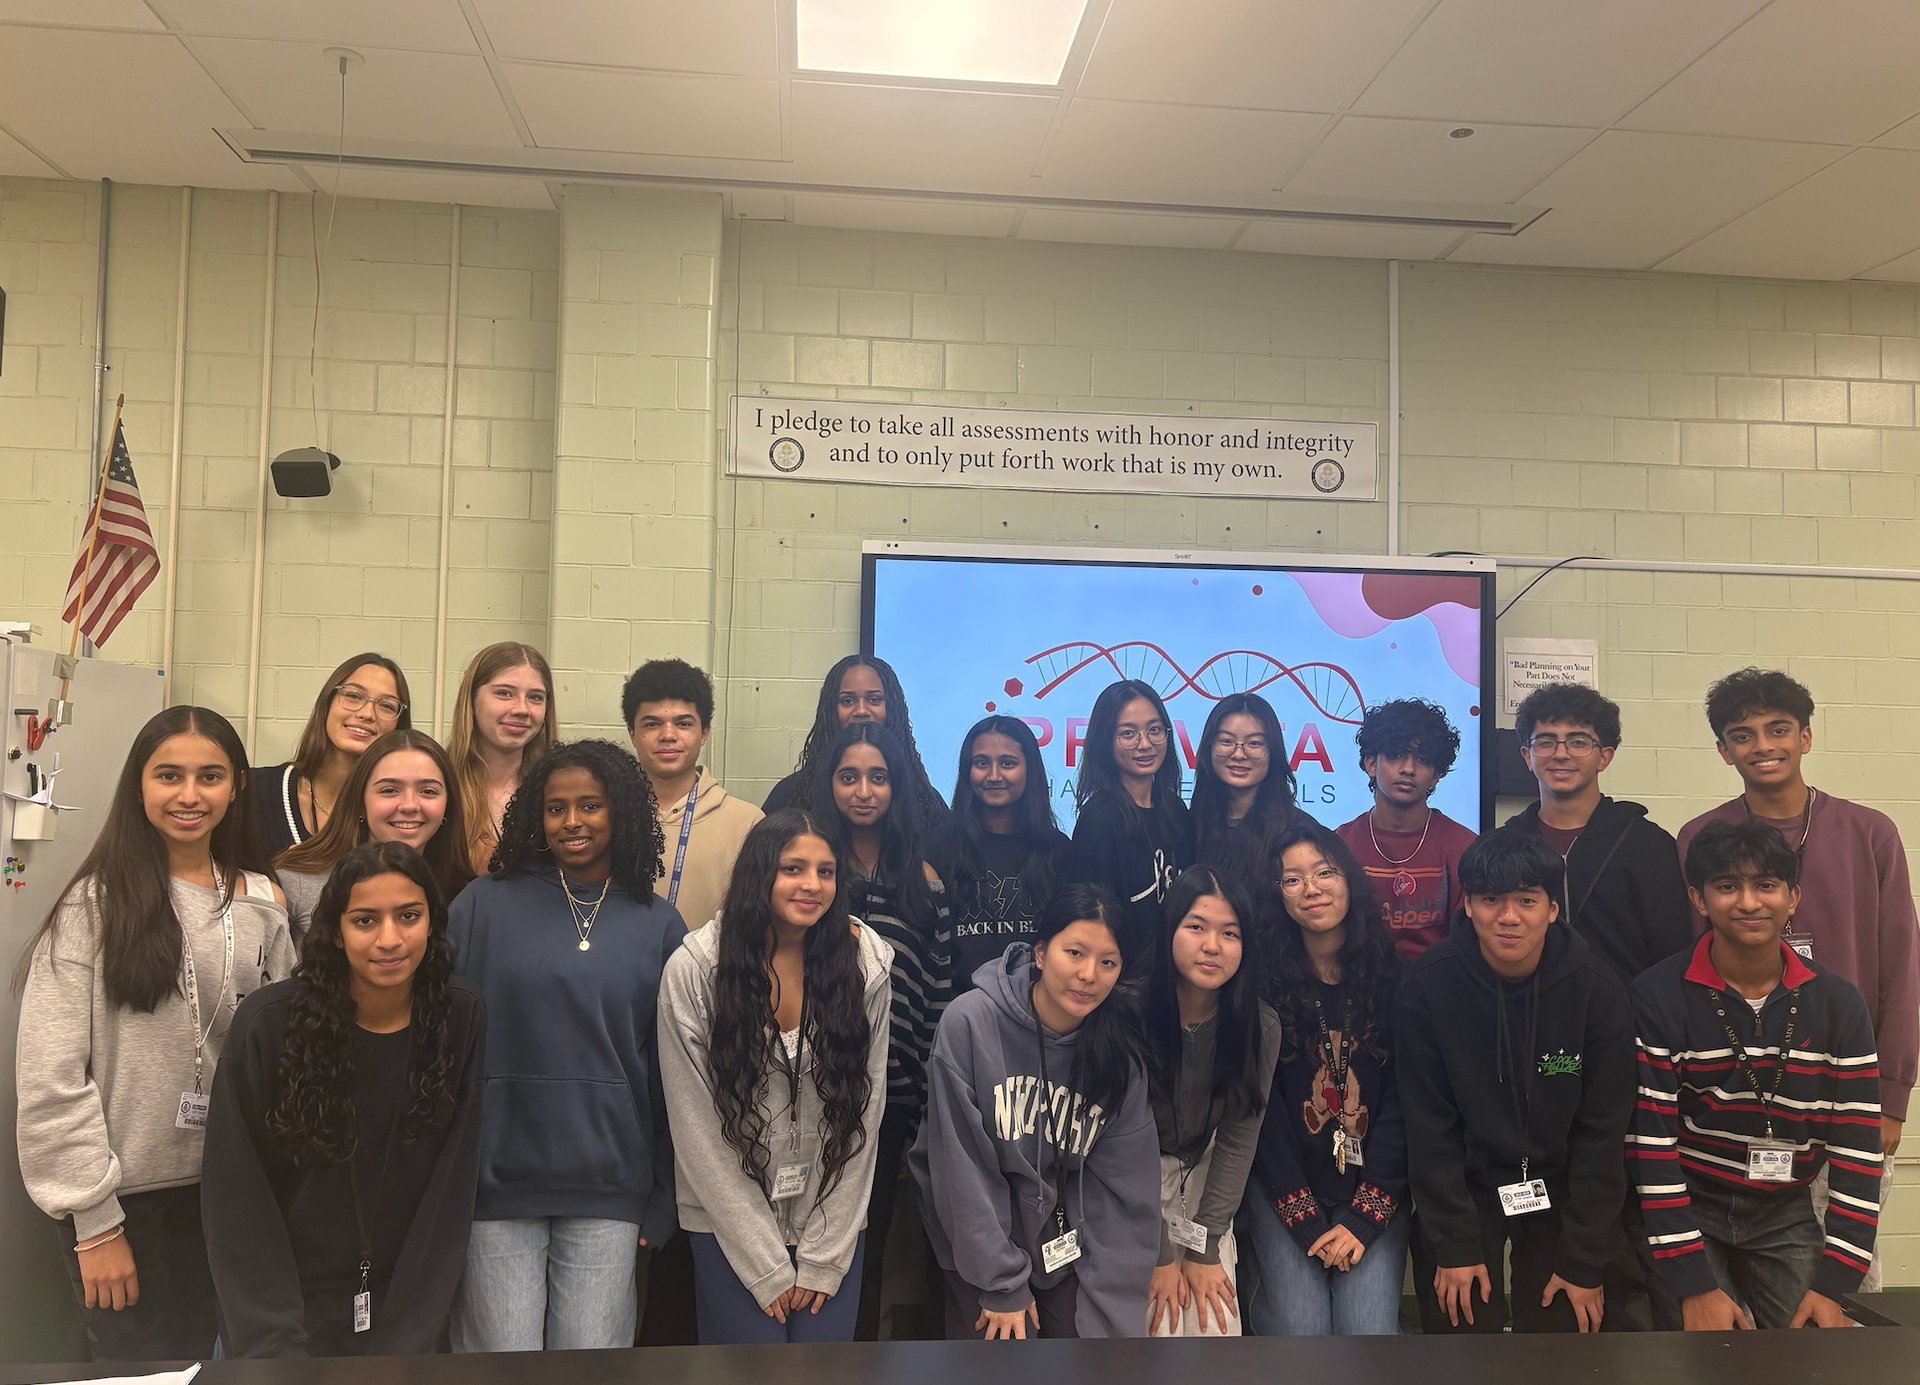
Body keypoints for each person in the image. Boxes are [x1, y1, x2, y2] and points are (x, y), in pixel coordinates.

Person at [16, 706, 295, 1361]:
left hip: (232, 1199)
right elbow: (51, 1075)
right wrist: (93, 1222)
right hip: (124, 1203)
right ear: (138, 786)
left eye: (210, 776)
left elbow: (284, 1059)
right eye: (169, 775)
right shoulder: (95, 904)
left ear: (237, 787)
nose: (190, 795)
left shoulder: (264, 903)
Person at [1676, 666, 1916, 1292]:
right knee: (1739, 1295)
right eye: (1743, 734)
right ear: (1724, 751)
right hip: (1732, 1102)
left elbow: (1903, 969)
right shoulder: (1699, 839)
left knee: (1841, 1285)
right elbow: (1689, 974)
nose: (1763, 746)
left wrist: (1891, 1096)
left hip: (1844, 1095)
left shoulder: (1870, 834)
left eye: (1778, 729)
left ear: (1806, 737)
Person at [203, 841, 486, 1356]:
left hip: (407, 1320)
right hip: (283, 1320)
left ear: (432, 923)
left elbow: (451, 1192)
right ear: (334, 931)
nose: (390, 939)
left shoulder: (458, 1018)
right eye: (365, 921)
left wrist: (407, 1339)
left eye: (409, 916)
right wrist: (275, 1345)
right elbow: (238, 1198)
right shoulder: (270, 1024)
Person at [448, 741, 684, 1352]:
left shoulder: (658, 923)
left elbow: (676, 1079)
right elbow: (439, 1049)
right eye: (556, 809)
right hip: (494, 1190)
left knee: (592, 1374)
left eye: (590, 806)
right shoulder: (482, 906)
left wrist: (661, 1202)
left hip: (610, 1192)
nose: (572, 822)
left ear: (622, 814)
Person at [1631, 821, 1881, 1331]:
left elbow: (1858, 1150)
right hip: (1691, 1201)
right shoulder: (1656, 995)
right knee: (1702, 1350)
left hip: (1785, 1207)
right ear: (1698, 900)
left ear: (1793, 898)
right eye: (1727, 887)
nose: (1748, 903)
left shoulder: (1838, 1004)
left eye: (1765, 885)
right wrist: (1694, 1285)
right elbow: (1651, 1149)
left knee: (1817, 1347)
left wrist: (1835, 1283)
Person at [656, 809, 893, 1343]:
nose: (812, 885)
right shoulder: (695, 970)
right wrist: (763, 1262)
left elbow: (865, 1115)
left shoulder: (866, 968)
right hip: (727, 1225)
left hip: (829, 1224)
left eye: (826, 871)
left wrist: (826, 1253)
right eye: (793, 868)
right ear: (759, 873)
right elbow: (695, 1129)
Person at [1396, 827, 1636, 1335]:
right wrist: (1453, 1244)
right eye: (1490, 900)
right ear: (1467, 906)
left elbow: (1603, 1135)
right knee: (1460, 1328)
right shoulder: (1427, 988)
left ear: (1552, 908)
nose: (1508, 917)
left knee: (1563, 1334)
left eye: (1527, 901)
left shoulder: (1598, 992)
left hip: (1562, 1187)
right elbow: (1428, 1129)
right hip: (1467, 1186)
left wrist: (1584, 1257)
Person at [910, 883, 1160, 1340]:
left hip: (1065, 1247)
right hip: (980, 1248)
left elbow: (1126, 1192)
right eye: (1075, 953)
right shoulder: (970, 1022)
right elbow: (959, 1172)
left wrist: (1112, 1310)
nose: (1089, 975)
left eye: (1108, 962)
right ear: (1041, 953)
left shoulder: (1120, 1056)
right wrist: (1002, 1284)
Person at [811, 723, 953, 1339]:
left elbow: (938, 1004)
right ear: (829, 785)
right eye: (848, 777)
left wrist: (922, 1110)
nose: (863, 791)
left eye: (878, 777)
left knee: (866, 1250)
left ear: (898, 787)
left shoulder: (924, 883)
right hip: (806, 1095)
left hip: (891, 1104)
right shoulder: (808, 872)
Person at [1240, 823, 1409, 1336]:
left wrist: (1365, 1216)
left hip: (1373, 1186)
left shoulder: (1394, 978)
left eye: (1324, 872)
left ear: (1349, 879)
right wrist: (1303, 1215)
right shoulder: (1257, 984)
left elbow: (1406, 1107)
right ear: (1278, 897)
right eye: (1292, 880)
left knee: (1369, 1333)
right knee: (1300, 1332)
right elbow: (1258, 1113)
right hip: (1283, 1186)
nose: (1311, 888)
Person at [1139, 867, 1280, 1337]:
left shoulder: (1259, 1025)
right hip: (1127, 1181)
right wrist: (1160, 1256)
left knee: (1213, 1325)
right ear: (1169, 929)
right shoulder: (1125, 1011)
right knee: (1154, 1327)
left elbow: (1240, 1139)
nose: (1213, 946)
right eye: (1196, 927)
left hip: (1206, 1175)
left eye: (1230, 933)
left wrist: (1203, 1248)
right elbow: (1118, 1143)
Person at [1502, 683, 1691, 986]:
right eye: (1546, 741)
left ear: (1605, 757)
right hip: (1526, 1020)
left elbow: (1673, 954)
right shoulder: (1504, 847)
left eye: (1578, 742)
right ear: (1527, 756)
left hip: (1629, 1021)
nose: (1561, 754)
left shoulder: (1649, 846)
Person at [274, 729, 473, 941]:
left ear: (448, 806)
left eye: (428, 791)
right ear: (360, 802)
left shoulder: (466, 897)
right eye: (389, 790)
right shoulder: (297, 882)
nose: (409, 805)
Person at [926, 715, 1070, 999]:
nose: (993, 776)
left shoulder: (1058, 851)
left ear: (1030, 770)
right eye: (981, 763)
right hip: (956, 1017)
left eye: (1008, 763)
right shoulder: (936, 848)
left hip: (1038, 1018)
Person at [623, 657, 763, 932]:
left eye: (683, 723)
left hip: (708, 974)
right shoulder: (606, 815)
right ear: (632, 733)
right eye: (651, 724)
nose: (668, 735)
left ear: (704, 733)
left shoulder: (747, 823)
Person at [1334, 697, 1476, 965]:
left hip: (1438, 993)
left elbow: (1469, 947)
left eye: (1422, 759)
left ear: (1437, 774)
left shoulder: (1465, 847)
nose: (1409, 769)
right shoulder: (1339, 844)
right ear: (1371, 764)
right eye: (1396, 755)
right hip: (1357, 994)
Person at [1067, 680, 1194, 963]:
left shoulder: (1175, 811)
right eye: (1128, 734)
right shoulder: (1098, 820)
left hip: (1176, 976)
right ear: (1105, 741)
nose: (1145, 744)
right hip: (1124, 985)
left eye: (1154, 730)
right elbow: (1092, 924)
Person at [252, 653, 412, 857]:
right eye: (354, 696)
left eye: (387, 706)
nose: (367, 714)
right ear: (327, 703)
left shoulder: (399, 815)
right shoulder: (255, 791)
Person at [763, 654, 947, 826]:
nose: (861, 711)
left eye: (874, 700)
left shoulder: (925, 801)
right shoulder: (789, 796)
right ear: (830, 711)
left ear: (891, 709)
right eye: (848, 701)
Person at [448, 642, 557, 876]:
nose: (522, 709)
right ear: (472, 699)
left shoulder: (556, 788)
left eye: (536, 697)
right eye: (504, 693)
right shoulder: (439, 784)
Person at [1190, 693, 1301, 887]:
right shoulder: (1187, 826)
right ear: (1209, 748)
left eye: (1254, 743)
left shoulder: (1298, 832)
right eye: (1226, 741)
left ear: (1273, 752)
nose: (1239, 754)